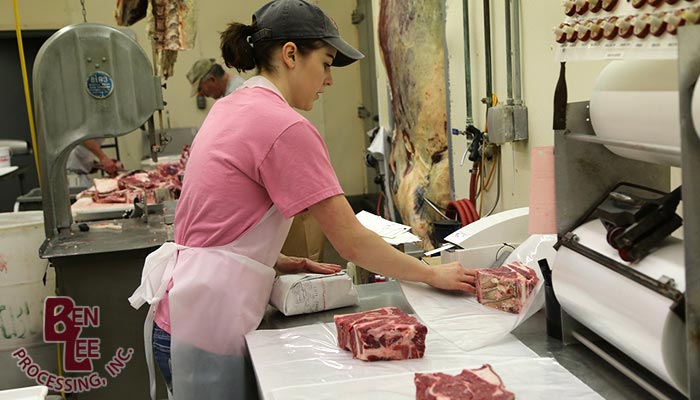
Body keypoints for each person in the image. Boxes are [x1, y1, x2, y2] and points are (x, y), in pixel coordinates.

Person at [129, 1, 477, 399]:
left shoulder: (231, 107)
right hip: (208, 326)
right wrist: (433, 274)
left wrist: (270, 257)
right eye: (326, 63)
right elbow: (351, 241)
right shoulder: (284, 125)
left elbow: (212, 223)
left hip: (177, 315)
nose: (328, 80)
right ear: (290, 54)